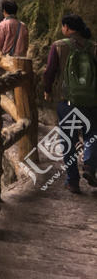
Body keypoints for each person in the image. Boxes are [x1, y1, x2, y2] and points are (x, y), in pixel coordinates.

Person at [43, 14, 97, 193]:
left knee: (68, 139)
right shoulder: (93, 47)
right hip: (91, 101)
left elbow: (50, 71)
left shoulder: (58, 46)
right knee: (92, 133)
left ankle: (72, 180)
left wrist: (47, 90)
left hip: (68, 102)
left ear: (66, 27)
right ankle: (89, 165)